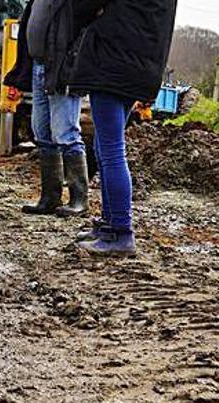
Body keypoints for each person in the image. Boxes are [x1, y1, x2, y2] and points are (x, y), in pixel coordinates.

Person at [68, 0, 177, 256]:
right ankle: (109, 225)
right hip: (140, 63)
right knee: (104, 145)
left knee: (111, 150)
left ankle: (120, 231)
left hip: (112, 59)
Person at [5, 0, 89, 218]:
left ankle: (79, 199)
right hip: (37, 66)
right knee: (42, 132)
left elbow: (85, 29)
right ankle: (50, 198)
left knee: (66, 132)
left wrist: (72, 63)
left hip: (60, 68)